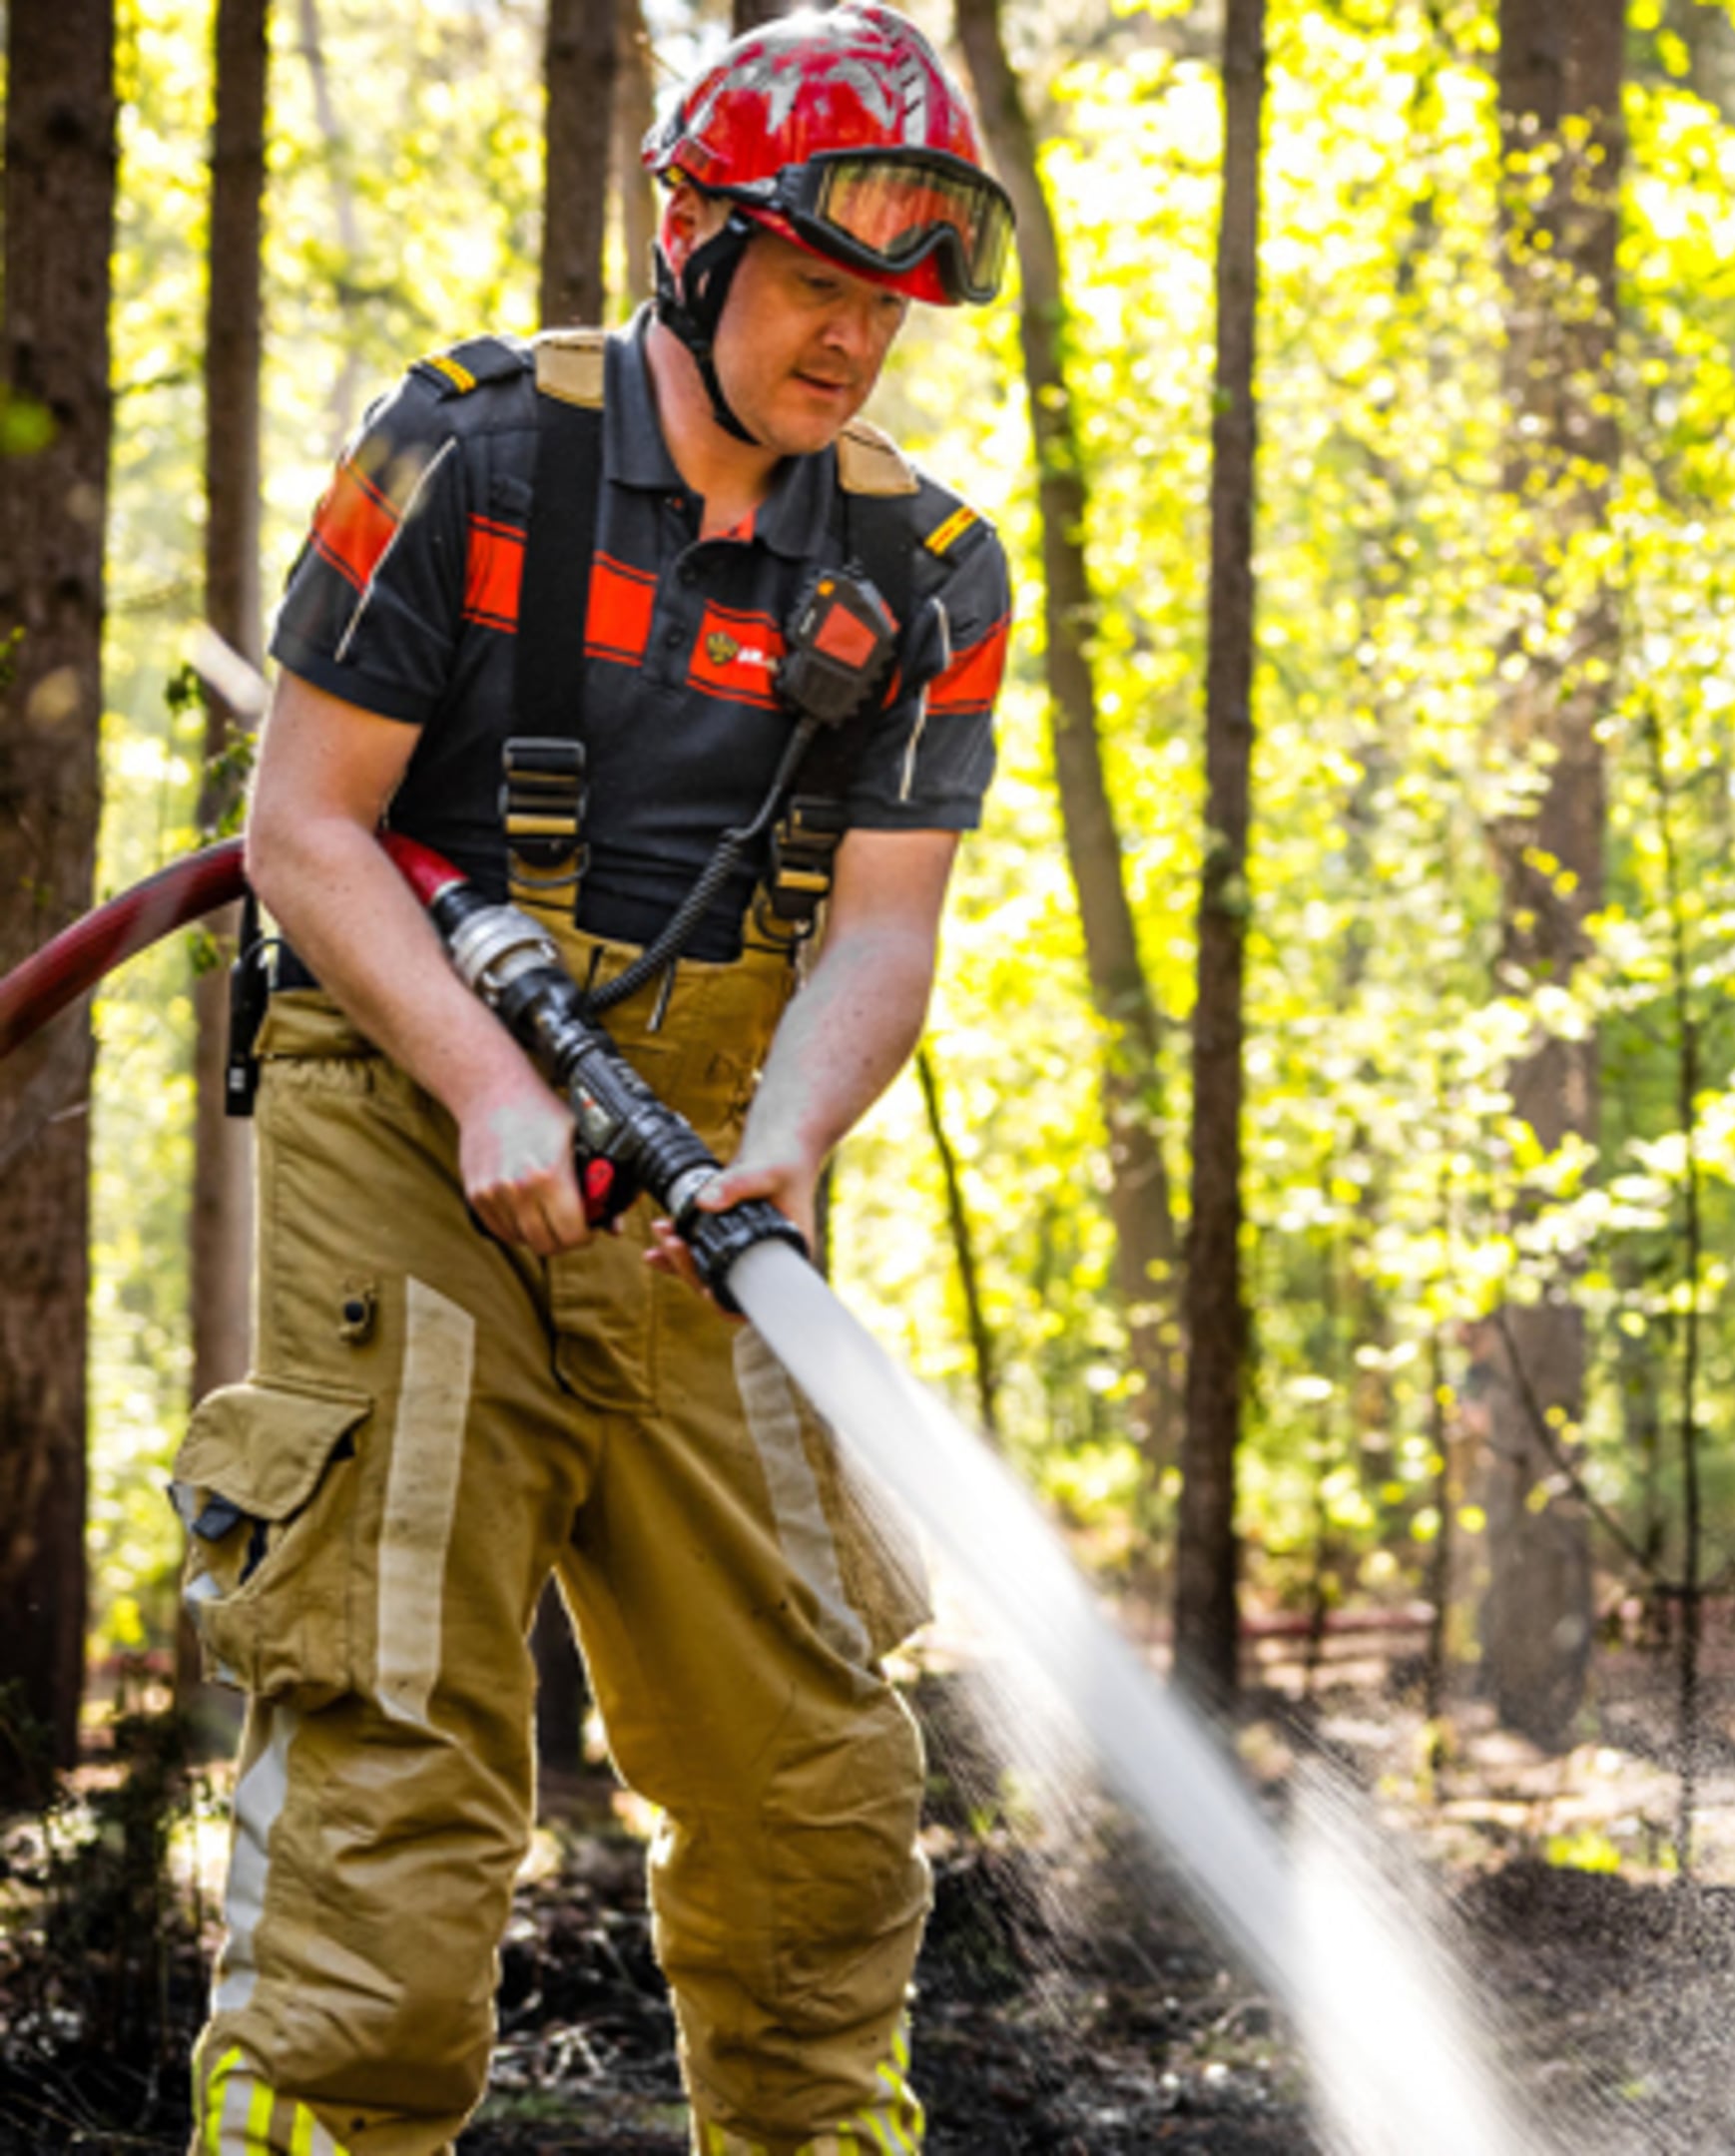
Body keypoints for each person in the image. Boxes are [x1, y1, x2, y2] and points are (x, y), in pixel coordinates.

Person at [178, 7, 1016, 2150]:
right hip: (413, 1119)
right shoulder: (470, 453)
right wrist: (484, 1085)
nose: (853, 345)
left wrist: (789, 1146)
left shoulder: (927, 570)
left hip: (703, 1182)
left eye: (889, 306)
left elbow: (887, 929)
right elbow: (303, 832)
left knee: (817, 1776)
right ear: (692, 244)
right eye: (817, 287)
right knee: (395, 1752)